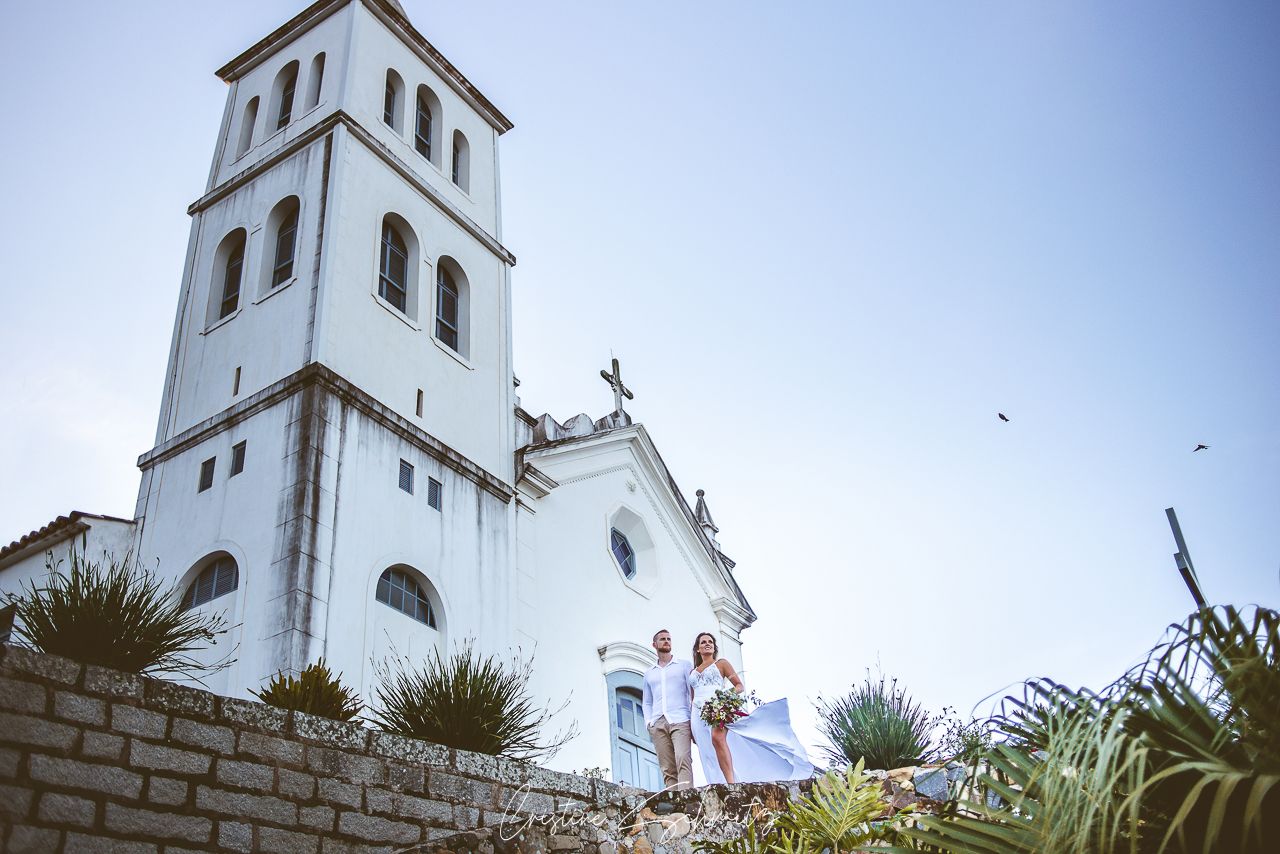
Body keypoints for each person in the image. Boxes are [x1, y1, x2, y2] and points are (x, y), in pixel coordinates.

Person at [688, 631, 814, 785]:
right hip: (697, 713)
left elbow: (739, 686)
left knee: (717, 738)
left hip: (717, 707)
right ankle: (715, 782)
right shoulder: (692, 672)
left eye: (710, 642)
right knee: (706, 749)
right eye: (703, 642)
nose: (707, 644)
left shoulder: (721, 664)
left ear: (714, 648)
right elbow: (692, 697)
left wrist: (723, 699)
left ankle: (731, 783)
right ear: (698, 649)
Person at [641, 629, 694, 790]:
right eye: (663, 639)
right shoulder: (649, 673)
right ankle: (673, 798)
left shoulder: (684, 666)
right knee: (667, 766)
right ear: (654, 644)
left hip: (681, 719)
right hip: (658, 722)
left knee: (683, 758)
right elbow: (647, 702)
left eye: (669, 639)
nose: (666, 641)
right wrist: (648, 723)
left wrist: (693, 718)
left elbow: (692, 693)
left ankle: (687, 796)